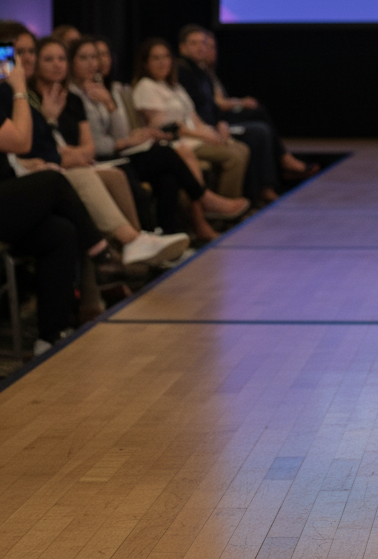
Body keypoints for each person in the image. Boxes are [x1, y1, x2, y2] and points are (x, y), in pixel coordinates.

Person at [12, 33, 191, 267]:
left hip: (76, 161)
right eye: (48, 59)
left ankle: (139, 247)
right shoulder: (26, 98)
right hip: (57, 166)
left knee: (152, 171)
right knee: (146, 164)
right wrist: (55, 131)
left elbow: (94, 144)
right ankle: (136, 246)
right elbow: (33, 147)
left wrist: (109, 105)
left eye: (60, 59)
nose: (56, 64)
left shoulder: (71, 98)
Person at [0, 44, 126, 354]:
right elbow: (21, 141)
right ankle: (102, 252)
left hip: (8, 194)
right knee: (56, 182)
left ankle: (49, 336)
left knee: (61, 233)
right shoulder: (16, 93)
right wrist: (18, 90)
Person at [68, 36, 248, 240]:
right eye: (85, 58)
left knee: (168, 178)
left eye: (96, 57)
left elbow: (119, 133)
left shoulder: (104, 90)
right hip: (106, 158)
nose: (94, 63)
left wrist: (110, 106)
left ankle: (166, 238)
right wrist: (127, 140)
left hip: (121, 151)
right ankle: (203, 200)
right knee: (168, 154)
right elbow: (101, 144)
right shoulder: (74, 95)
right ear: (72, 62)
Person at [131, 38, 250, 202]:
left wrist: (212, 133)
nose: (162, 63)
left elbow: (194, 117)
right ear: (145, 63)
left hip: (194, 137)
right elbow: (167, 128)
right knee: (234, 156)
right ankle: (223, 209)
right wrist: (204, 136)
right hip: (179, 143)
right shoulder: (146, 87)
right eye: (156, 58)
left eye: (166, 57)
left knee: (242, 148)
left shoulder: (174, 86)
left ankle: (229, 204)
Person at [204, 30, 318, 182]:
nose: (209, 51)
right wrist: (240, 102)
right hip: (218, 120)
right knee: (258, 123)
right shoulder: (195, 76)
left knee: (260, 123)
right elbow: (217, 104)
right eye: (205, 46)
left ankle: (276, 174)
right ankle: (284, 161)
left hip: (220, 118)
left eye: (212, 47)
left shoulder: (207, 73)